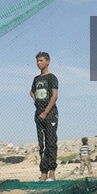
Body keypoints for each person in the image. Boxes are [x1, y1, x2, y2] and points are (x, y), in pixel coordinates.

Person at [30, 51, 58, 182]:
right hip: (38, 115)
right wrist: (36, 102)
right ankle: (43, 173)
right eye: (37, 61)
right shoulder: (36, 79)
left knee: (51, 142)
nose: (38, 63)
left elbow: (54, 96)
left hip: (50, 114)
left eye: (41, 60)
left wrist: (46, 112)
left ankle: (52, 173)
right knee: (42, 144)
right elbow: (31, 92)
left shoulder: (52, 77)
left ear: (48, 61)